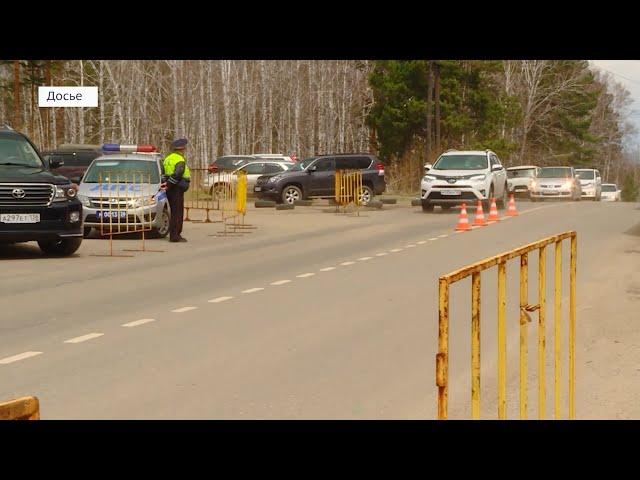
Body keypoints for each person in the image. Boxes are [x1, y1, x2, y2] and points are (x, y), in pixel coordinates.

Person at [162, 138, 191, 243]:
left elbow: (163, 173)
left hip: (170, 188)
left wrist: (166, 184)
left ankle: (173, 234)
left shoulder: (167, 159)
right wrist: (170, 183)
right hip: (177, 188)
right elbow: (178, 173)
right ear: (181, 149)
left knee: (173, 211)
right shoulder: (179, 159)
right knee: (177, 213)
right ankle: (175, 235)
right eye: (184, 149)